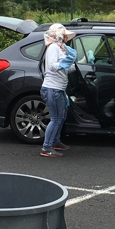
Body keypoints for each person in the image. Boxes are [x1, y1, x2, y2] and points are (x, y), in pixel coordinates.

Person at [40, 23, 77, 157]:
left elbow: (68, 68)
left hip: (58, 89)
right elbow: (52, 66)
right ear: (59, 35)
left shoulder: (61, 49)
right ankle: (47, 147)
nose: (67, 38)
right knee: (56, 118)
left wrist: (71, 63)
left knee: (61, 116)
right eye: (65, 35)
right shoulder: (53, 48)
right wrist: (65, 62)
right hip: (52, 88)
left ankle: (55, 141)